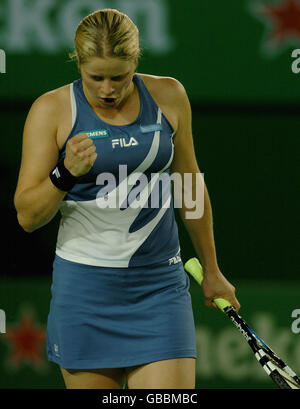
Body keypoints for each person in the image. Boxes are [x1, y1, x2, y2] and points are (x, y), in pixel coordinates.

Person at [14, 8, 240, 389]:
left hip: (160, 289)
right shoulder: (51, 111)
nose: (107, 88)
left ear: (135, 61)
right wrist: (64, 173)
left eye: (118, 77)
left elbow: (188, 185)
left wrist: (213, 270)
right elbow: (27, 216)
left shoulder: (169, 96)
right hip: (84, 294)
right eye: (95, 77)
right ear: (79, 63)